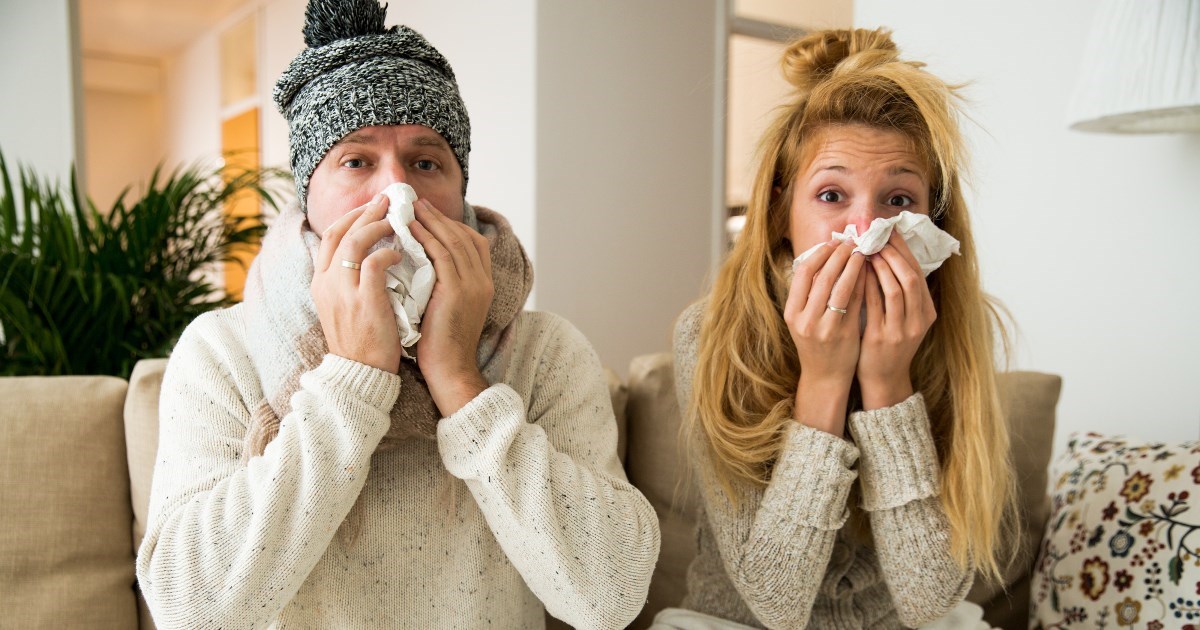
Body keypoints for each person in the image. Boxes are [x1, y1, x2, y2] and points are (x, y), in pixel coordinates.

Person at [134, 1, 659, 627]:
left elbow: (613, 598)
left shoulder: (546, 350)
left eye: (426, 161)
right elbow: (187, 610)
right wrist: (351, 378)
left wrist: (461, 382)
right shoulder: (223, 350)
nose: (396, 193)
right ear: (308, 199)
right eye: (356, 160)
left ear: (462, 195)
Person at [659, 28, 1014, 629]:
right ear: (779, 211)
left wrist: (888, 384)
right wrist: (824, 380)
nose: (866, 227)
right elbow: (774, 601)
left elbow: (934, 598)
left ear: (935, 219)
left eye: (898, 200)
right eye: (831, 194)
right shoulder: (714, 334)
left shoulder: (956, 327)